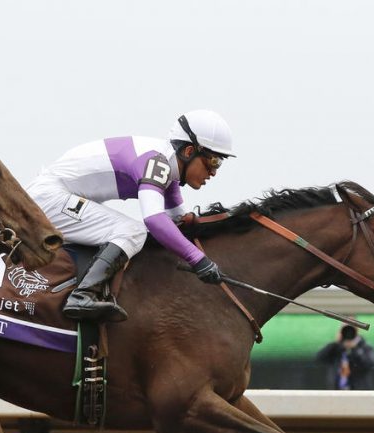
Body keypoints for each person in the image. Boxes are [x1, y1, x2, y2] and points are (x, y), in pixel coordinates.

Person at [25, 110, 235, 321]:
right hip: (50, 197)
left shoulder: (168, 170)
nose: (214, 172)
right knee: (132, 231)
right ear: (189, 151)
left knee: (131, 231)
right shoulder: (157, 162)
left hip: (59, 196)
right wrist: (198, 260)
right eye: (214, 161)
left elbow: (179, 220)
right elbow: (154, 220)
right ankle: (82, 296)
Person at [315, 324, 374, 390]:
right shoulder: (336, 348)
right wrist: (335, 343)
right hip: (336, 392)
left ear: (357, 330)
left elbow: (369, 364)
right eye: (345, 329)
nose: (348, 332)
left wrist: (355, 349)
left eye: (351, 329)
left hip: (359, 392)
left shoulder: (366, 348)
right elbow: (319, 358)